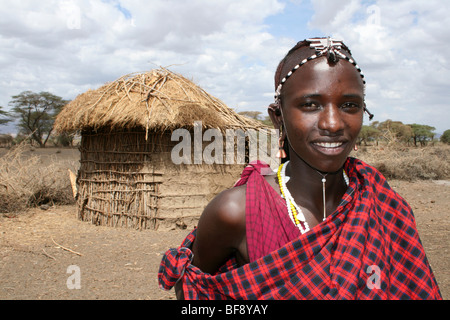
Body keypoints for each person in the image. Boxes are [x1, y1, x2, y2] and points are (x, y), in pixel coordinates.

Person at [158, 37, 442, 300]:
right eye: (310, 105)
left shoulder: (383, 205)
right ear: (277, 117)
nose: (333, 123)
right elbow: (193, 290)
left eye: (350, 105)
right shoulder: (238, 212)